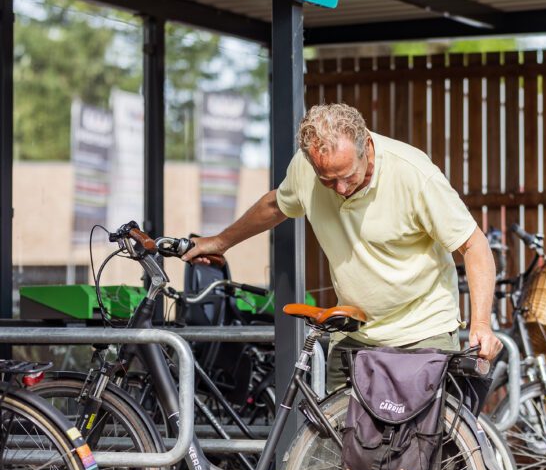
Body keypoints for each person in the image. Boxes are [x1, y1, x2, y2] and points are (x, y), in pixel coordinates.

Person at [183, 102, 502, 382]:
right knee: (336, 443)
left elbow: (474, 245)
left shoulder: (413, 174)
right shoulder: (306, 169)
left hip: (421, 332)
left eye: (348, 175)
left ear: (367, 146)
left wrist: (482, 325)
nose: (340, 188)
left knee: (422, 444)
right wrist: (221, 242)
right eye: (328, 180)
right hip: (354, 333)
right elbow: (275, 205)